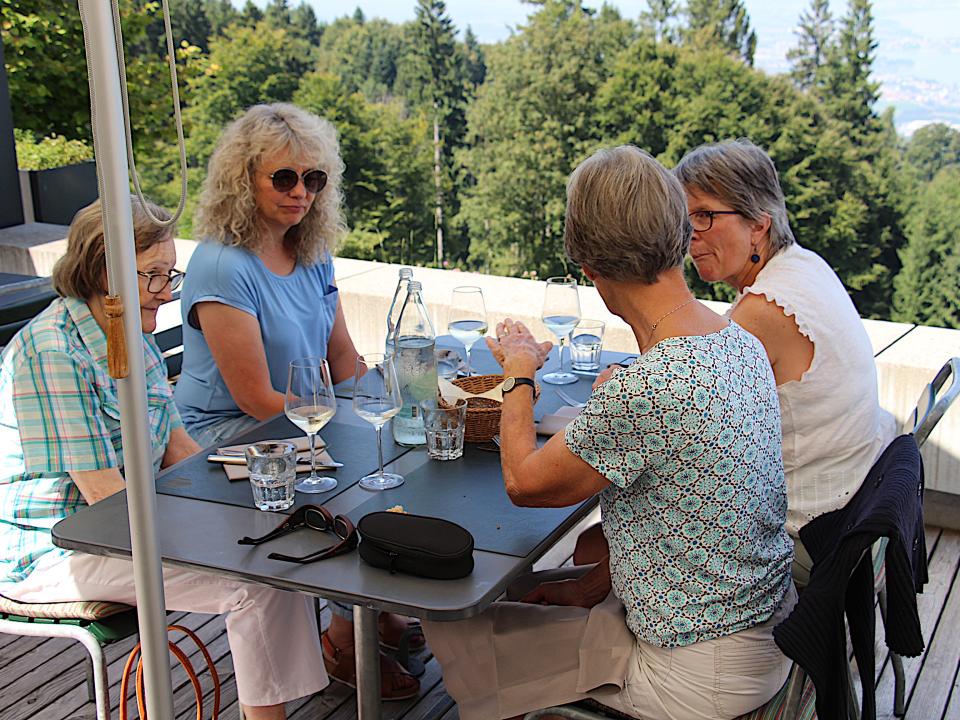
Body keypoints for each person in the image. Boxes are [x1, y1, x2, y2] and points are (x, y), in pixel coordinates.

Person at [422, 146, 796, 720]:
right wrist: (594, 584)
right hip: (763, 636)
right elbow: (695, 521)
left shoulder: (651, 385)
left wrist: (518, 371)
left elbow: (524, 483)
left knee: (458, 622)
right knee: (534, 596)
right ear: (678, 233)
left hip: (695, 675)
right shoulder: (737, 342)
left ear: (587, 265)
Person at [0, 198, 327, 720]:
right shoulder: (51, 353)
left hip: (125, 525)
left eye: (168, 273)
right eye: (152, 276)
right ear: (103, 271)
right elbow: (104, 504)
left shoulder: (132, 333)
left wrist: (249, 492)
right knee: (252, 584)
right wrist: (218, 530)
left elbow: (179, 449)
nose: (168, 292)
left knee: (277, 554)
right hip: (54, 550)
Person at [173, 102, 420, 700]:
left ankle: (362, 610)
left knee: (398, 465)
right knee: (354, 479)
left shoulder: (311, 254)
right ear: (244, 181)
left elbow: (345, 361)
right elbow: (255, 398)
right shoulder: (221, 265)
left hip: (304, 419)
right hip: (229, 438)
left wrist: (382, 404)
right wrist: (350, 425)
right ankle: (344, 634)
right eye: (284, 178)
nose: (301, 192)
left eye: (314, 179)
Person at [673, 138, 898, 583]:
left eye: (704, 216)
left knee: (629, 525)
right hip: (857, 506)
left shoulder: (763, 310)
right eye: (683, 219)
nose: (688, 235)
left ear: (758, 224)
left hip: (812, 538)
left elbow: (685, 434)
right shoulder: (804, 265)